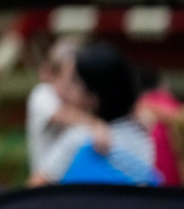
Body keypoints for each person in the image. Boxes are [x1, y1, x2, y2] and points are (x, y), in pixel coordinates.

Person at [29, 41, 158, 186]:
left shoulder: (79, 140)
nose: (67, 88)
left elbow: (35, 190)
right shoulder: (144, 139)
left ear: (92, 98)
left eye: (74, 81)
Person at [25, 34, 110, 175]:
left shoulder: (82, 99)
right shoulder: (43, 93)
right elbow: (61, 114)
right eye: (71, 78)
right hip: (49, 184)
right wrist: (97, 124)